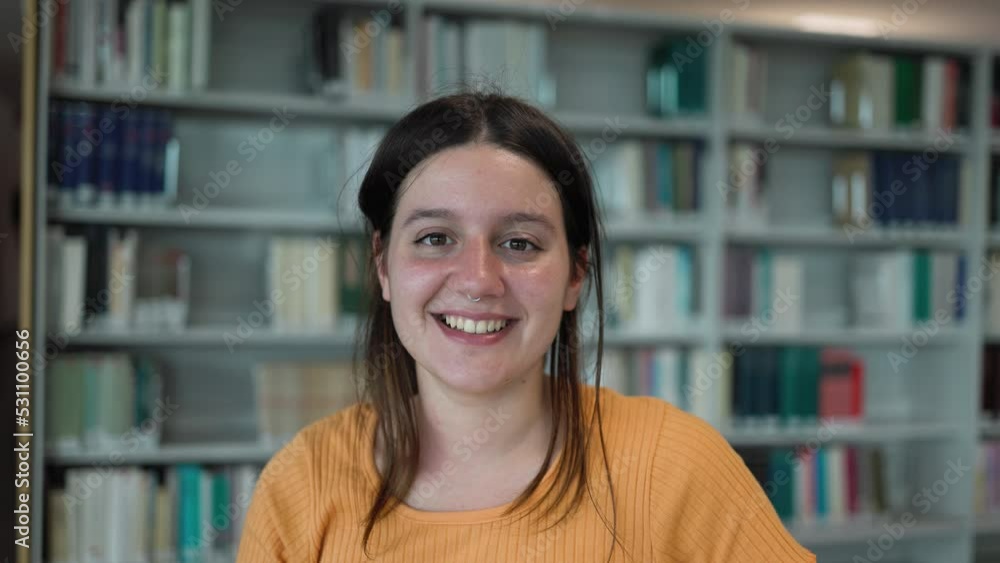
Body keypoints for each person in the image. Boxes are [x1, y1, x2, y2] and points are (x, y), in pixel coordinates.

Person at [236, 90, 816, 562]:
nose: (479, 280)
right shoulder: (302, 483)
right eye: (435, 238)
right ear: (383, 265)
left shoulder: (676, 465)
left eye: (519, 243)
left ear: (576, 275)